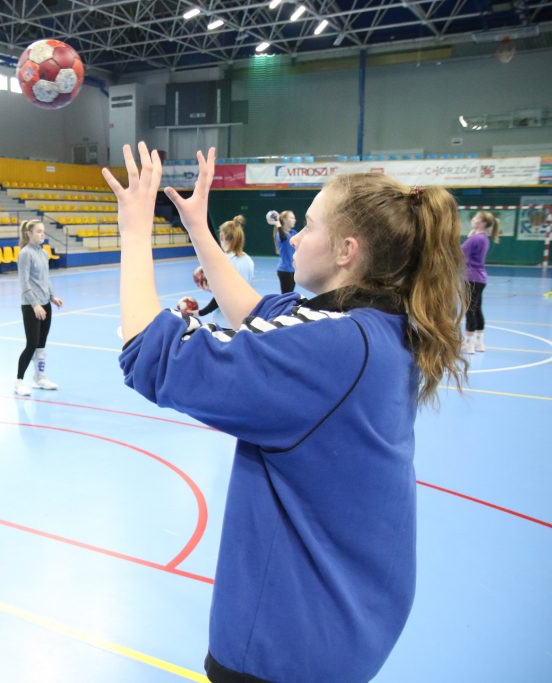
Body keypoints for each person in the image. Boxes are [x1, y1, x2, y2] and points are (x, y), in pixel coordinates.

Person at [103, 143, 466, 683]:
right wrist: (200, 230)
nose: (295, 238)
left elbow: (155, 358)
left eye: (310, 226)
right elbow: (260, 313)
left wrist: (134, 233)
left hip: (285, 643)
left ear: (347, 250)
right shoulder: (377, 327)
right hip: (345, 623)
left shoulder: (333, 348)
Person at [15, 219, 63, 396]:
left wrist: (52, 297)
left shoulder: (43, 253)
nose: (42, 234)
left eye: (43, 231)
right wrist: (35, 304)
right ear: (29, 233)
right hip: (31, 306)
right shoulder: (25, 254)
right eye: (39, 231)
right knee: (32, 343)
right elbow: (24, 282)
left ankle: (40, 377)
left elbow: (46, 278)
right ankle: (19, 381)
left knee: (41, 344)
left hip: (45, 304)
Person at [192, 216, 255, 325]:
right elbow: (237, 290)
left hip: (225, 321)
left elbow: (223, 297)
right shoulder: (248, 260)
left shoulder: (223, 261)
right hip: (244, 319)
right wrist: (214, 288)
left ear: (222, 236)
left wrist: (200, 313)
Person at [461, 210, 499, 353]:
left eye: (476, 217)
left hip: (471, 278)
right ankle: (479, 343)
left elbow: (460, 253)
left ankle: (469, 344)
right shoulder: (483, 238)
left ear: (482, 223)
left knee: (469, 309)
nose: (474, 219)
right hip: (481, 278)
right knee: (476, 309)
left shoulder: (475, 239)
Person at [271, 209, 298, 293]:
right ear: (285, 220)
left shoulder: (293, 232)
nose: (294, 220)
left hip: (293, 269)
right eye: (292, 218)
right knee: (286, 295)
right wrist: (277, 222)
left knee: (290, 294)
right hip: (284, 270)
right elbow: (283, 237)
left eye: (294, 218)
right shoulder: (280, 234)